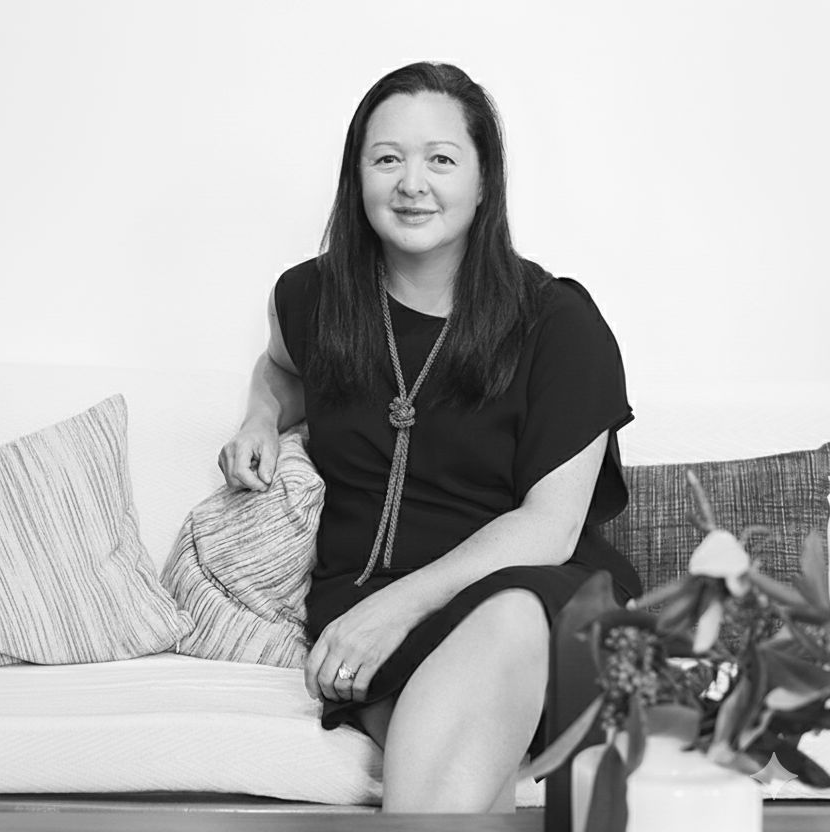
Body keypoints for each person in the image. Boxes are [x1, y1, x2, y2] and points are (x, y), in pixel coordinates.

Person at [217, 61, 642, 814]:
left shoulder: (558, 323)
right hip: (364, 605)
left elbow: (549, 527)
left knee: (506, 619)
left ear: (483, 182)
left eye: (441, 160)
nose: (412, 183)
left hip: (531, 596)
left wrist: (394, 611)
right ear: (357, 178)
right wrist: (259, 416)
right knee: (458, 737)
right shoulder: (310, 297)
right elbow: (281, 370)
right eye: (387, 159)